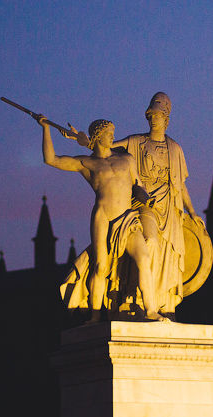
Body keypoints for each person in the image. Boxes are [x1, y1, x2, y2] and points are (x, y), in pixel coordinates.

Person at [39, 116, 163, 321]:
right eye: (109, 133)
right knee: (100, 267)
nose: (113, 136)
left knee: (144, 258)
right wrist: (45, 129)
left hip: (127, 219)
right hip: (103, 217)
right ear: (98, 136)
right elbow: (51, 159)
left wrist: (146, 198)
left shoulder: (126, 159)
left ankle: (151, 310)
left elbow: (138, 186)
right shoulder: (86, 163)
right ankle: (95, 316)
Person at [111, 92, 203, 317]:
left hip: (169, 208)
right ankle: (138, 298)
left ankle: (164, 302)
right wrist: (80, 138)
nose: (153, 119)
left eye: (158, 115)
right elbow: (106, 148)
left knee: (168, 254)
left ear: (166, 119)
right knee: (149, 242)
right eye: (151, 115)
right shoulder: (135, 142)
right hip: (145, 204)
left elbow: (181, 186)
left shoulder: (175, 149)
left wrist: (192, 211)